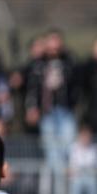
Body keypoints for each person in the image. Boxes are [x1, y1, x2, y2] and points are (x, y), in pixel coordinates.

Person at [24, 29, 78, 170]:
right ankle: (55, 180)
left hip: (66, 111)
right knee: (51, 150)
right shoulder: (38, 63)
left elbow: (76, 81)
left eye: (57, 41)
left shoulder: (69, 61)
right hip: (47, 112)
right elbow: (32, 88)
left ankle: (65, 180)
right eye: (51, 41)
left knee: (68, 148)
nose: (54, 45)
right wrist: (31, 107)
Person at [68, 125, 97, 194]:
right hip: (77, 175)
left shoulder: (96, 148)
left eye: (87, 136)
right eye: (84, 136)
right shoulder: (73, 147)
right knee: (76, 183)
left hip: (90, 174)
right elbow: (72, 163)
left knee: (93, 182)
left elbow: (94, 163)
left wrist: (85, 169)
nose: (86, 138)